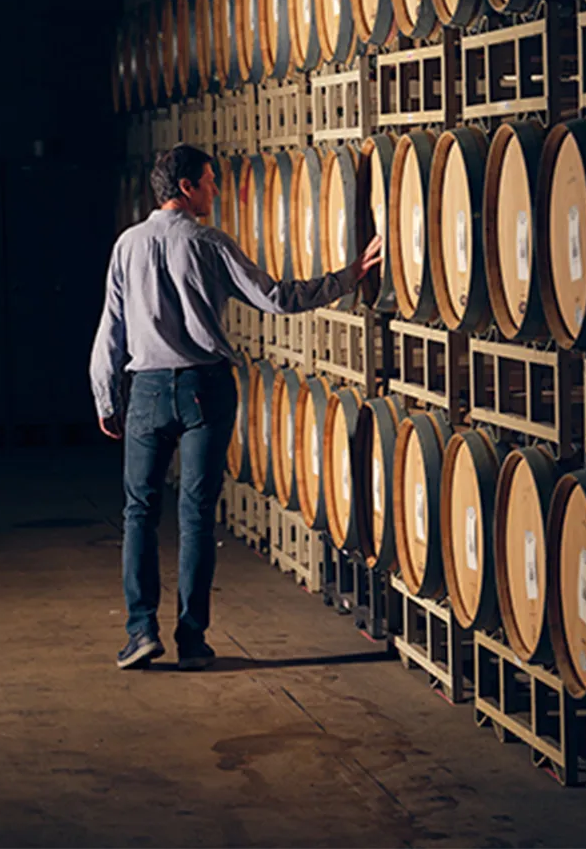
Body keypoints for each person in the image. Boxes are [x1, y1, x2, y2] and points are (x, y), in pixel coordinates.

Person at [90, 144, 382, 671]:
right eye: (208, 181)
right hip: (205, 387)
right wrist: (350, 275)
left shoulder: (126, 245)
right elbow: (276, 297)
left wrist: (105, 395)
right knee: (197, 515)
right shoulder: (208, 243)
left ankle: (140, 633)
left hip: (147, 390)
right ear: (185, 188)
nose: (215, 191)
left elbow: (110, 330)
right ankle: (193, 641)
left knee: (139, 513)